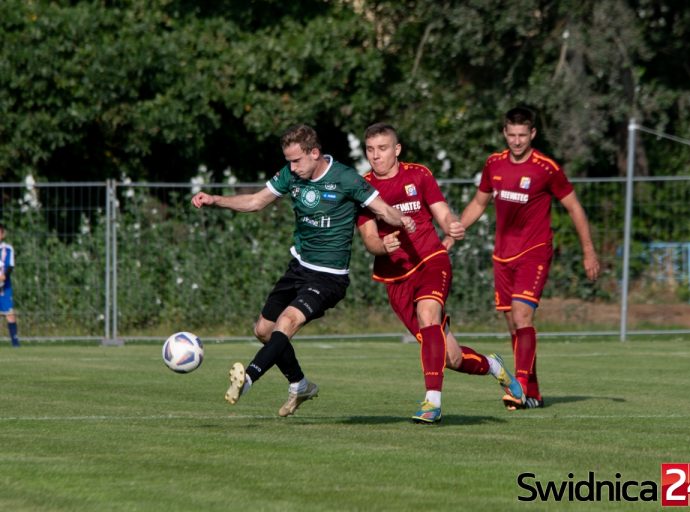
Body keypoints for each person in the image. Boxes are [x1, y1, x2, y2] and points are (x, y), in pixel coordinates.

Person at [191, 124, 415, 417]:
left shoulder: (346, 178)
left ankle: (247, 379)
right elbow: (256, 201)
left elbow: (383, 208)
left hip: (329, 277)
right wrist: (215, 200)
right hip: (298, 267)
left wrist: (404, 221)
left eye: (297, 161)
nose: (292, 167)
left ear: (315, 153)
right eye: (288, 161)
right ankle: (299, 384)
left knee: (287, 321)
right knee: (263, 330)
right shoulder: (291, 176)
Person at [356, 123, 525, 424]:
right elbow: (369, 238)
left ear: (397, 150)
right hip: (395, 278)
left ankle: (431, 402)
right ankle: (494, 366)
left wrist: (452, 226)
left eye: (383, 149)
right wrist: (382, 245)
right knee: (451, 358)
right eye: (370, 150)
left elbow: (442, 212)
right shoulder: (363, 188)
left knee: (428, 315)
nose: (376, 156)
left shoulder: (419, 174)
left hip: (432, 260)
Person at [459, 107, 600, 410]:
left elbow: (574, 207)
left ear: (533, 134)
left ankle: (519, 386)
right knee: (513, 326)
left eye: (523, 135)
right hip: (502, 256)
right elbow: (478, 203)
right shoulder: (494, 164)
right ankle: (532, 393)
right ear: (504, 133)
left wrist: (589, 251)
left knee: (523, 316)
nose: (517, 141)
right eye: (512, 135)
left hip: (534, 251)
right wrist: (452, 232)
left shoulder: (545, 168)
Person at [0, 223, 20, 347]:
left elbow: (10, 265)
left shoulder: (7, 249)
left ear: (3, 234)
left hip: (4, 287)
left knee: (10, 315)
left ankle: (15, 343)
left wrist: (4, 275)